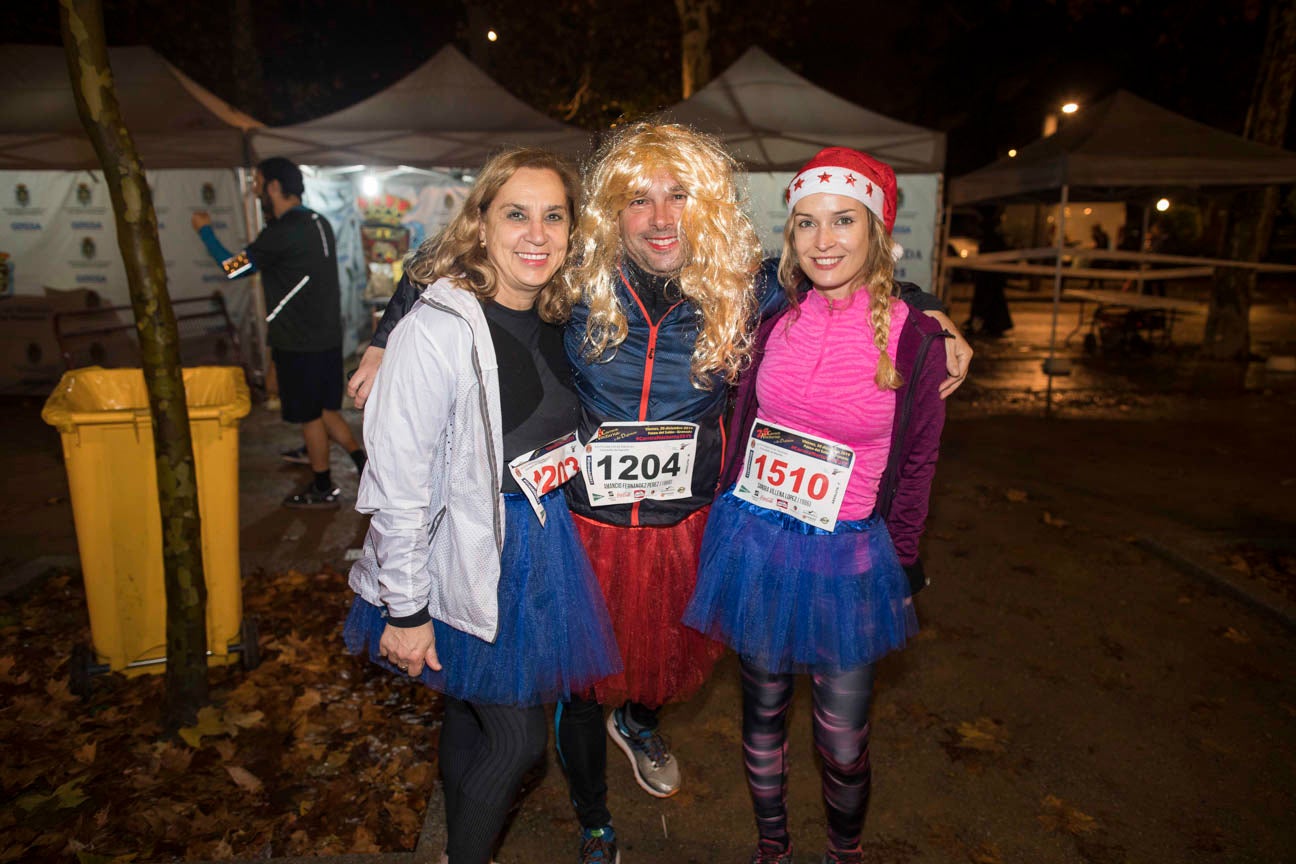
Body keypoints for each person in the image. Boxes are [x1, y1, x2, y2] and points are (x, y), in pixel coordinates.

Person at [350, 124, 972, 864]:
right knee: (579, 687)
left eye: (678, 196)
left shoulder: (748, 285)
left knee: (671, 664)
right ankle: (595, 822)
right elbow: (455, 268)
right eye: (637, 199)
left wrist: (930, 306)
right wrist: (388, 335)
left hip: (689, 522)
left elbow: (839, 268)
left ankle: (640, 722)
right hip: (583, 522)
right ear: (612, 211)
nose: (659, 218)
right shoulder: (577, 276)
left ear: (706, 204)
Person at [342, 148, 620, 864]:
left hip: (538, 544)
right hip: (464, 552)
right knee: (521, 738)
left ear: (571, 230)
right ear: (480, 224)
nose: (537, 233)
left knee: (470, 720)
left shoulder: (560, 317)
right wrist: (405, 610)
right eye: (516, 214)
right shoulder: (436, 330)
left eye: (553, 216)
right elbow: (397, 484)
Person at [683, 147, 947, 864]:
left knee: (841, 736)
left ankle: (844, 852)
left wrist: (907, 556)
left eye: (842, 221)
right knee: (762, 717)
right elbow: (738, 425)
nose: (823, 240)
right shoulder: (775, 319)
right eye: (805, 223)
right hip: (759, 541)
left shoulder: (915, 336)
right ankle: (773, 848)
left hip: (849, 553)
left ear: (876, 230)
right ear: (790, 235)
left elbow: (919, 460)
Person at [192, 156, 365, 508]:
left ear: (274, 186)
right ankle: (366, 468)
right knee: (328, 410)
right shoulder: (320, 223)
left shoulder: (281, 232)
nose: (254, 190)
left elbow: (232, 268)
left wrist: (204, 230)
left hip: (300, 343)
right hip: (327, 339)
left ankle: (323, 487)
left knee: (310, 417)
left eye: (256, 183)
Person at [965, 205, 1013, 337]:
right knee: (989, 302)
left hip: (989, 278)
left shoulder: (991, 237)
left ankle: (984, 324)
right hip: (990, 277)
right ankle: (988, 325)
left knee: (986, 302)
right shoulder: (993, 236)